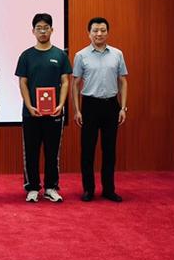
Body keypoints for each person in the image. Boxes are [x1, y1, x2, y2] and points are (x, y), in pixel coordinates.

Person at [15, 13, 72, 203]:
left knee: (52, 152)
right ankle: (32, 187)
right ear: (33, 31)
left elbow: (65, 81)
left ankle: (50, 187)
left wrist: (61, 105)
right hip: (31, 113)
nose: (42, 31)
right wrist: (29, 105)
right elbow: (23, 82)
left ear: (52, 30)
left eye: (46, 28)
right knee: (31, 152)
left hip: (54, 113)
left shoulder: (60, 55)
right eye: (39, 28)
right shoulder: (26, 56)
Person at [72, 17, 128, 202]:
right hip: (90, 106)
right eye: (95, 30)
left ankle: (109, 189)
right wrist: (77, 110)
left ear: (107, 32)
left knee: (109, 150)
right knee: (88, 150)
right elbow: (75, 84)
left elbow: (123, 81)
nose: (99, 34)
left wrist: (123, 107)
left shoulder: (117, 54)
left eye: (103, 30)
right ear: (89, 33)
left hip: (112, 105)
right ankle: (88, 189)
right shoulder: (81, 55)